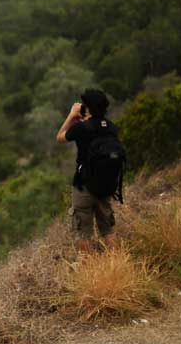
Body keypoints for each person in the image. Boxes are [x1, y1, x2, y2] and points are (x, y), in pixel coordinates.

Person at [56, 88, 119, 254]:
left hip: (83, 186)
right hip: (105, 184)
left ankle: (89, 269)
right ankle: (116, 261)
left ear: (88, 107)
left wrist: (72, 115)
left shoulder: (82, 128)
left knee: (82, 232)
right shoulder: (111, 127)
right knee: (108, 230)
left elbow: (60, 137)